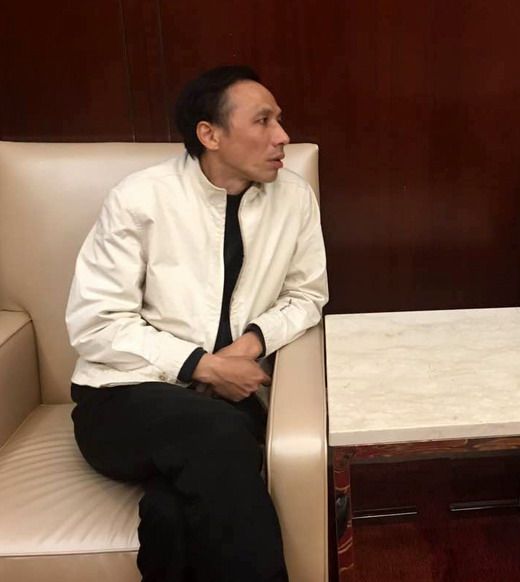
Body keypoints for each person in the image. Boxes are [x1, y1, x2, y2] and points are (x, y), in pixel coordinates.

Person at [66, 65, 328, 582]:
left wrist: (247, 347)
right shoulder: (141, 198)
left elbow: (307, 295)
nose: (282, 136)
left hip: (229, 399)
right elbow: (97, 322)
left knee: (171, 511)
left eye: (279, 120)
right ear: (210, 134)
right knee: (219, 434)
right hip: (122, 400)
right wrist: (202, 366)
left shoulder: (294, 197)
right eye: (263, 121)